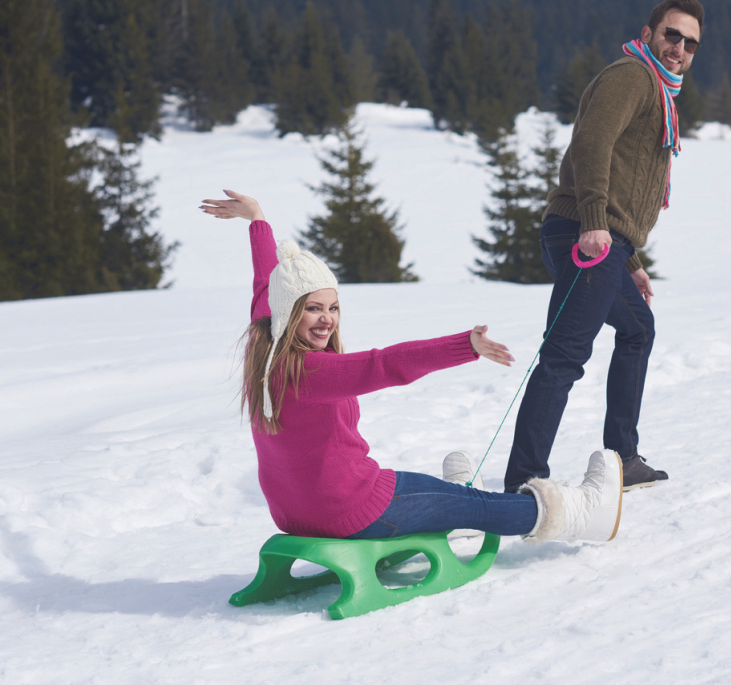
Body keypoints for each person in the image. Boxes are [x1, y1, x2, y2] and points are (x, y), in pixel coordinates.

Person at [199, 190, 623, 544]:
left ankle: (451, 513)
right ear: (288, 312)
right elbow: (384, 365)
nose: (327, 319)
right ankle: (583, 514)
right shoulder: (307, 371)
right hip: (350, 510)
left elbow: (266, 282)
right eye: (313, 308)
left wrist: (257, 220)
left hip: (294, 514)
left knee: (442, 496)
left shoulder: (264, 347)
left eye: (333, 307)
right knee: (476, 504)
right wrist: (465, 345)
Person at [503, 0, 705, 494]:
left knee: (638, 329)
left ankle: (623, 459)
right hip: (583, 231)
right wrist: (595, 223)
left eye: (689, 43)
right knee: (565, 355)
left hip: (603, 238)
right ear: (648, 33)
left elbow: (623, 182)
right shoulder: (633, 76)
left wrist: (629, 259)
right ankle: (523, 482)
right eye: (672, 35)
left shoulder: (658, 90)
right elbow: (592, 143)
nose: (679, 48)